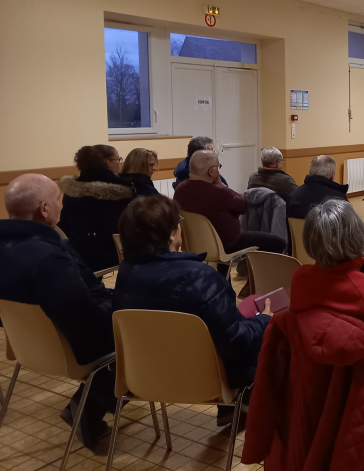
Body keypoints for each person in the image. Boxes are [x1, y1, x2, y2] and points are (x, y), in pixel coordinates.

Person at [242, 199, 364, 471]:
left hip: (308, 394)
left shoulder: (300, 278)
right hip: (359, 403)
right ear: (357, 237)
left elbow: (330, 311)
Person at [113, 195, 272, 426]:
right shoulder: (199, 277)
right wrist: (265, 320)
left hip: (145, 375)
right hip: (208, 380)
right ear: (170, 233)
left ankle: (235, 410)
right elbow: (237, 342)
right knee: (274, 324)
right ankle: (252, 408)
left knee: (252, 303)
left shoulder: (125, 273)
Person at [0, 174, 117, 450]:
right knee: (147, 330)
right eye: (58, 200)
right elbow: (86, 320)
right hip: (69, 348)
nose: (61, 206)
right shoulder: (48, 257)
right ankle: (87, 408)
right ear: (44, 209)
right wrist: (122, 307)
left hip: (28, 345)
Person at [173, 150, 286, 255]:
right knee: (279, 242)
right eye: (218, 167)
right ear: (211, 171)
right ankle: (258, 274)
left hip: (194, 244)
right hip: (227, 245)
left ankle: (225, 273)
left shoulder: (180, 189)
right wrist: (221, 185)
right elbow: (244, 206)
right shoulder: (219, 191)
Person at [58, 145, 134, 272]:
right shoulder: (122, 188)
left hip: (75, 252)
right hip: (109, 253)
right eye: (118, 159)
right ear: (108, 163)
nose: (120, 163)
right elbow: (119, 227)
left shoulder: (72, 188)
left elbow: (64, 224)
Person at [286, 154, 348, 220]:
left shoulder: (294, 195)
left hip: (298, 230)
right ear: (332, 175)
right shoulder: (340, 199)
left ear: (310, 172)